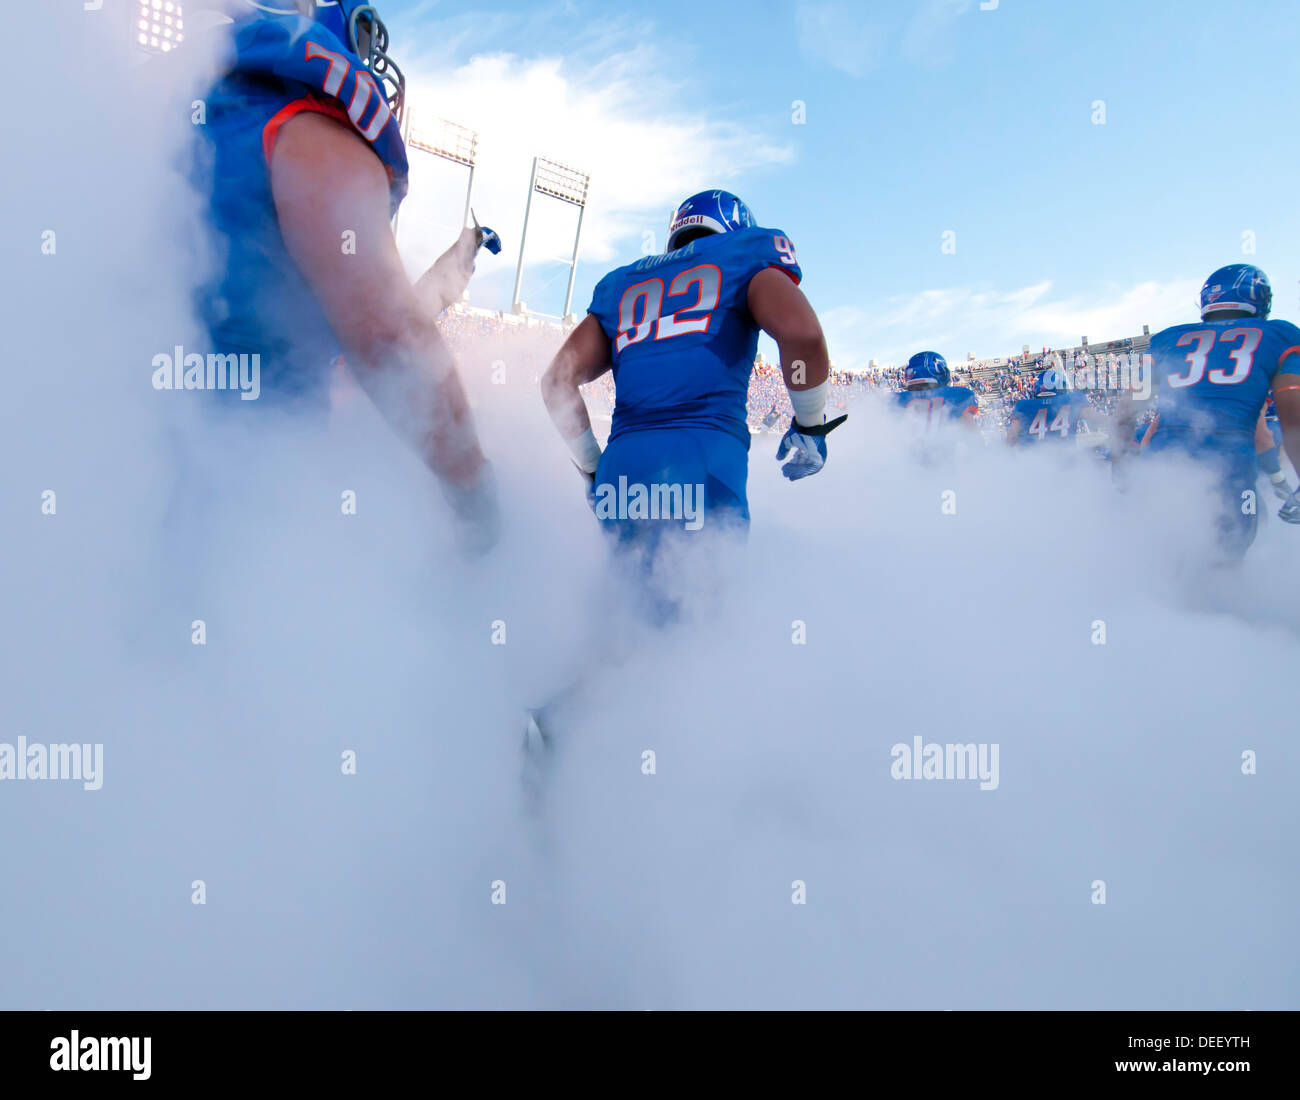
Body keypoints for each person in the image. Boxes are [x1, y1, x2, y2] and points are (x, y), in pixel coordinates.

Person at [194, 0, 500, 550]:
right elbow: (385, 332)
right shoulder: (302, 110)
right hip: (236, 491)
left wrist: (458, 263)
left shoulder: (170, 107)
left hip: (129, 463)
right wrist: (474, 490)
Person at [541, 188, 844, 558]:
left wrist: (593, 470)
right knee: (705, 609)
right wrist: (811, 426)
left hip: (623, 470)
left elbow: (557, 382)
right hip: (705, 459)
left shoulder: (621, 284)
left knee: (622, 608)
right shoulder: (744, 255)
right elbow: (803, 336)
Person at [1114, 263, 1300, 555]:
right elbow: (1294, 421)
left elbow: (1126, 411)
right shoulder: (1280, 334)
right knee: (1226, 564)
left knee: (1161, 563)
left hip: (1163, 467)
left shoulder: (1167, 339)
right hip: (1229, 466)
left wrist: (1122, 470)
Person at [1006, 365, 1091, 446]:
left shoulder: (1023, 406)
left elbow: (1011, 438)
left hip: (1032, 458)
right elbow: (1096, 418)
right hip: (1066, 456)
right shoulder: (1073, 400)